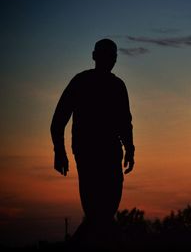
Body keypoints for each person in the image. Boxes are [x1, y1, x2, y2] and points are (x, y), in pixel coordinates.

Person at [50, 39, 135, 245]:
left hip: (110, 152)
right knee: (97, 212)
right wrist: (59, 151)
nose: (109, 60)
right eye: (106, 56)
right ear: (95, 57)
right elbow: (59, 119)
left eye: (112, 56)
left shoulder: (117, 86)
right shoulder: (81, 82)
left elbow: (125, 122)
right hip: (88, 153)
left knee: (104, 211)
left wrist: (129, 150)